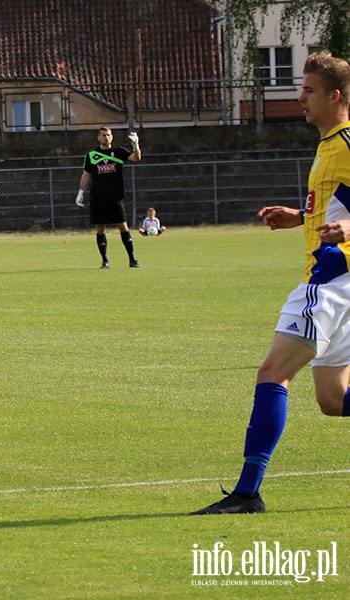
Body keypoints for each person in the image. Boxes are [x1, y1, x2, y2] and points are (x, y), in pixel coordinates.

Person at [192, 51, 350, 515]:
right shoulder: (329, 144)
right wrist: (298, 217)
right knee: (332, 398)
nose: (300, 98)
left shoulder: (348, 144)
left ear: (335, 95)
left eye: (309, 90)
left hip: (329, 280)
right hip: (338, 281)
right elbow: (337, 209)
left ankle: (247, 492)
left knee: (272, 373)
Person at [76, 126, 142, 268]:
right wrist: (81, 192)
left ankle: (132, 259)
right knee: (100, 229)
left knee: (123, 227)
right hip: (98, 197)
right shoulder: (92, 154)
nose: (106, 138)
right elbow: (86, 174)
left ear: (112, 137)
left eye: (109, 135)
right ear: (99, 137)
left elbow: (136, 158)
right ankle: (105, 261)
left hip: (115, 197)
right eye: (104, 135)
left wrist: (135, 145)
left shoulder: (118, 152)